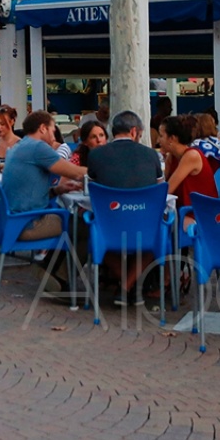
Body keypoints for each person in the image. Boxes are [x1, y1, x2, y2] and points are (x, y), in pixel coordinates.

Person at [87, 110, 167, 304]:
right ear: (134, 132)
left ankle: (124, 285)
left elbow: (90, 191)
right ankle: (128, 286)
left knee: (91, 233)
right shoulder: (151, 155)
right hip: (144, 228)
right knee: (159, 236)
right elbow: (160, 189)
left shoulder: (96, 155)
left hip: (110, 227)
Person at [2, 111, 87, 234]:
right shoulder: (38, 147)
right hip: (28, 223)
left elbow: (26, 191)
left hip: (12, 221)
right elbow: (76, 173)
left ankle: (51, 253)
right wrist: (102, 170)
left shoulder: (18, 146)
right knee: (84, 225)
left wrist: (57, 190)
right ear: (43, 128)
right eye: (52, 131)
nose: (54, 137)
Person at [157, 114, 218, 212]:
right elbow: (163, 184)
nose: (158, 140)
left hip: (202, 212)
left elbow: (167, 190)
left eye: (161, 136)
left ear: (172, 139)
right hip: (182, 210)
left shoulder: (191, 156)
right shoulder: (171, 157)